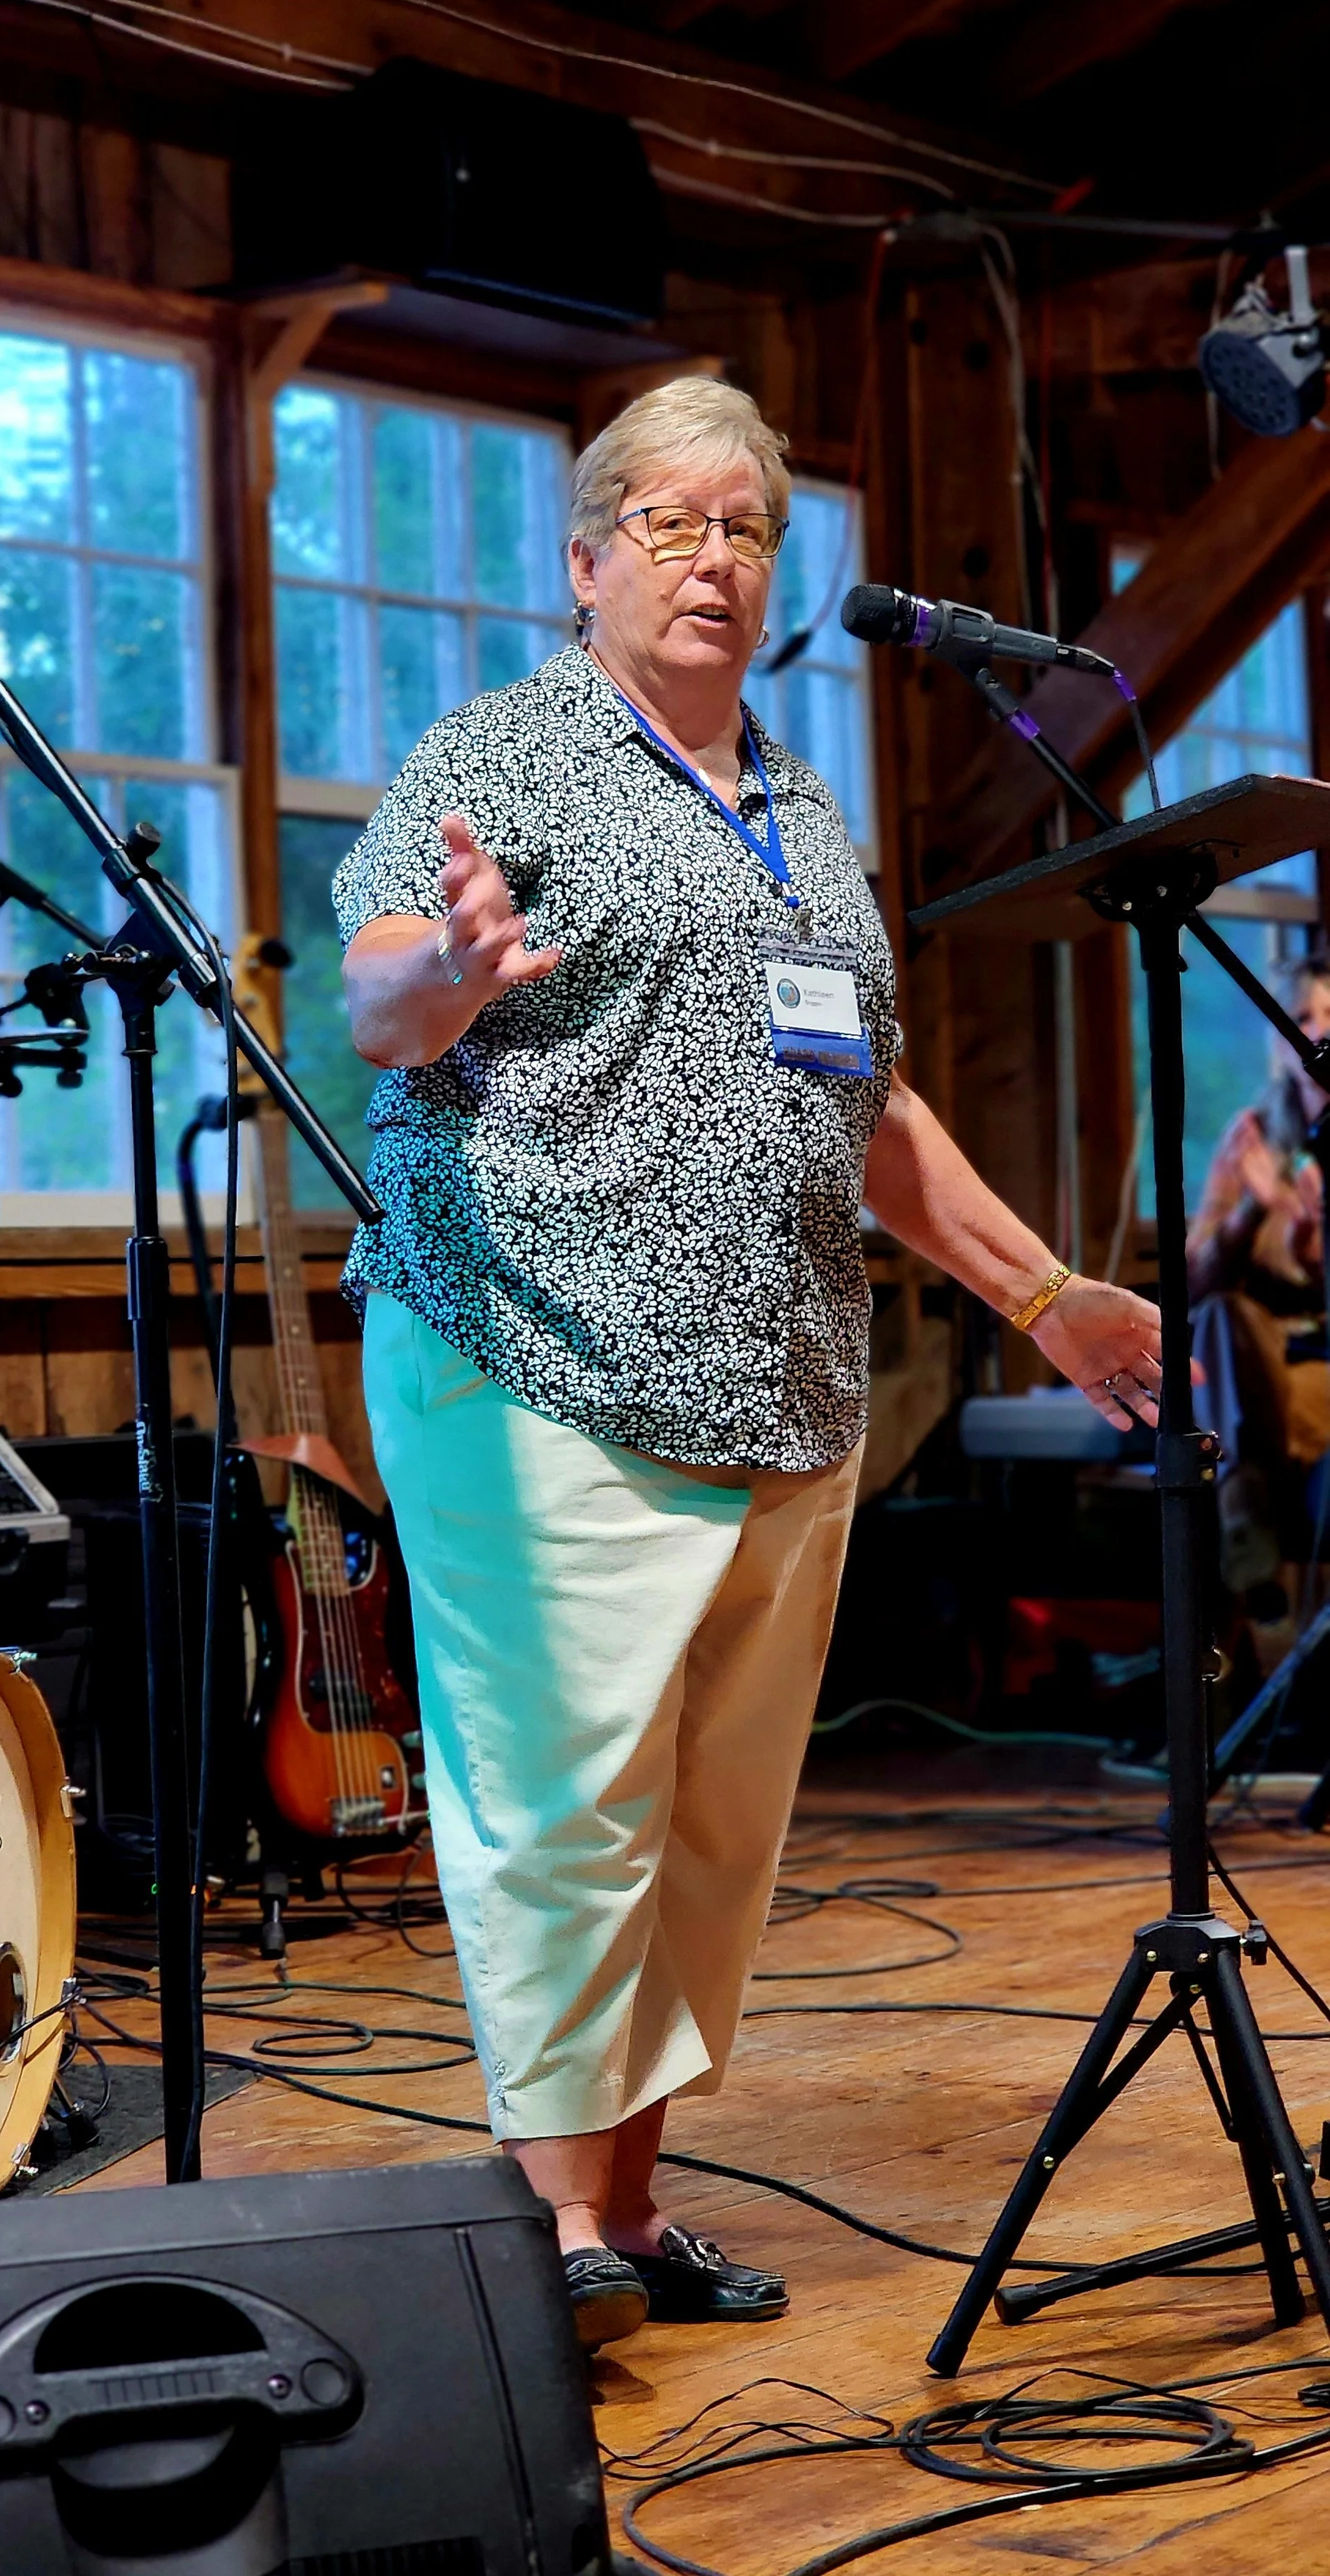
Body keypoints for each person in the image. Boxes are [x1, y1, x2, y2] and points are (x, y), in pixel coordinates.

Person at [335, 376, 1163, 2352]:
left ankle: (625, 2201)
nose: (716, 561)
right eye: (677, 524)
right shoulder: (504, 752)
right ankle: (550, 2249)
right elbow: (377, 986)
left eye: (751, 533)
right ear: (592, 553)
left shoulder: (799, 810)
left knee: (711, 1829)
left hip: (779, 1388)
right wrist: (446, 971)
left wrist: (1046, 1292)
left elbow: (857, 1101)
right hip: (526, 1353)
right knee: (564, 1811)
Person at [1188, 956, 1330, 1607]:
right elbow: (1192, 1283)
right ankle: (1249, 1519)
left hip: (1320, 1361)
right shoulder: (1251, 1137)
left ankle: (1245, 1514)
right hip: (1259, 1361)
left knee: (1222, 1417)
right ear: (1281, 1039)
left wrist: (1310, 1237)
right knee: (1218, 1315)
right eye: (1302, 1018)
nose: (1317, 1033)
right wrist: (1252, 1209)